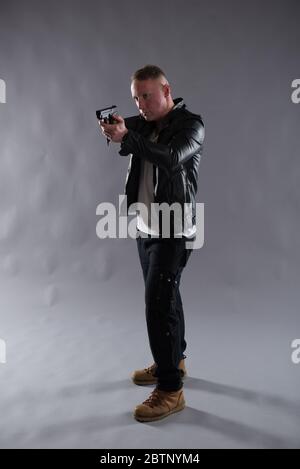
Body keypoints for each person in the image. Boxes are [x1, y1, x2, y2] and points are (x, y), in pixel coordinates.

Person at [99, 64, 205, 422]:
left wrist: (127, 138)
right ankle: (173, 361)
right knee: (168, 295)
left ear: (166, 90)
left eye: (147, 95)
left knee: (157, 304)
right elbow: (126, 128)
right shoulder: (145, 123)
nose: (141, 104)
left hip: (174, 230)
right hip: (147, 227)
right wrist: (113, 126)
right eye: (136, 98)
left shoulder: (191, 125)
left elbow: (171, 158)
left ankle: (171, 390)